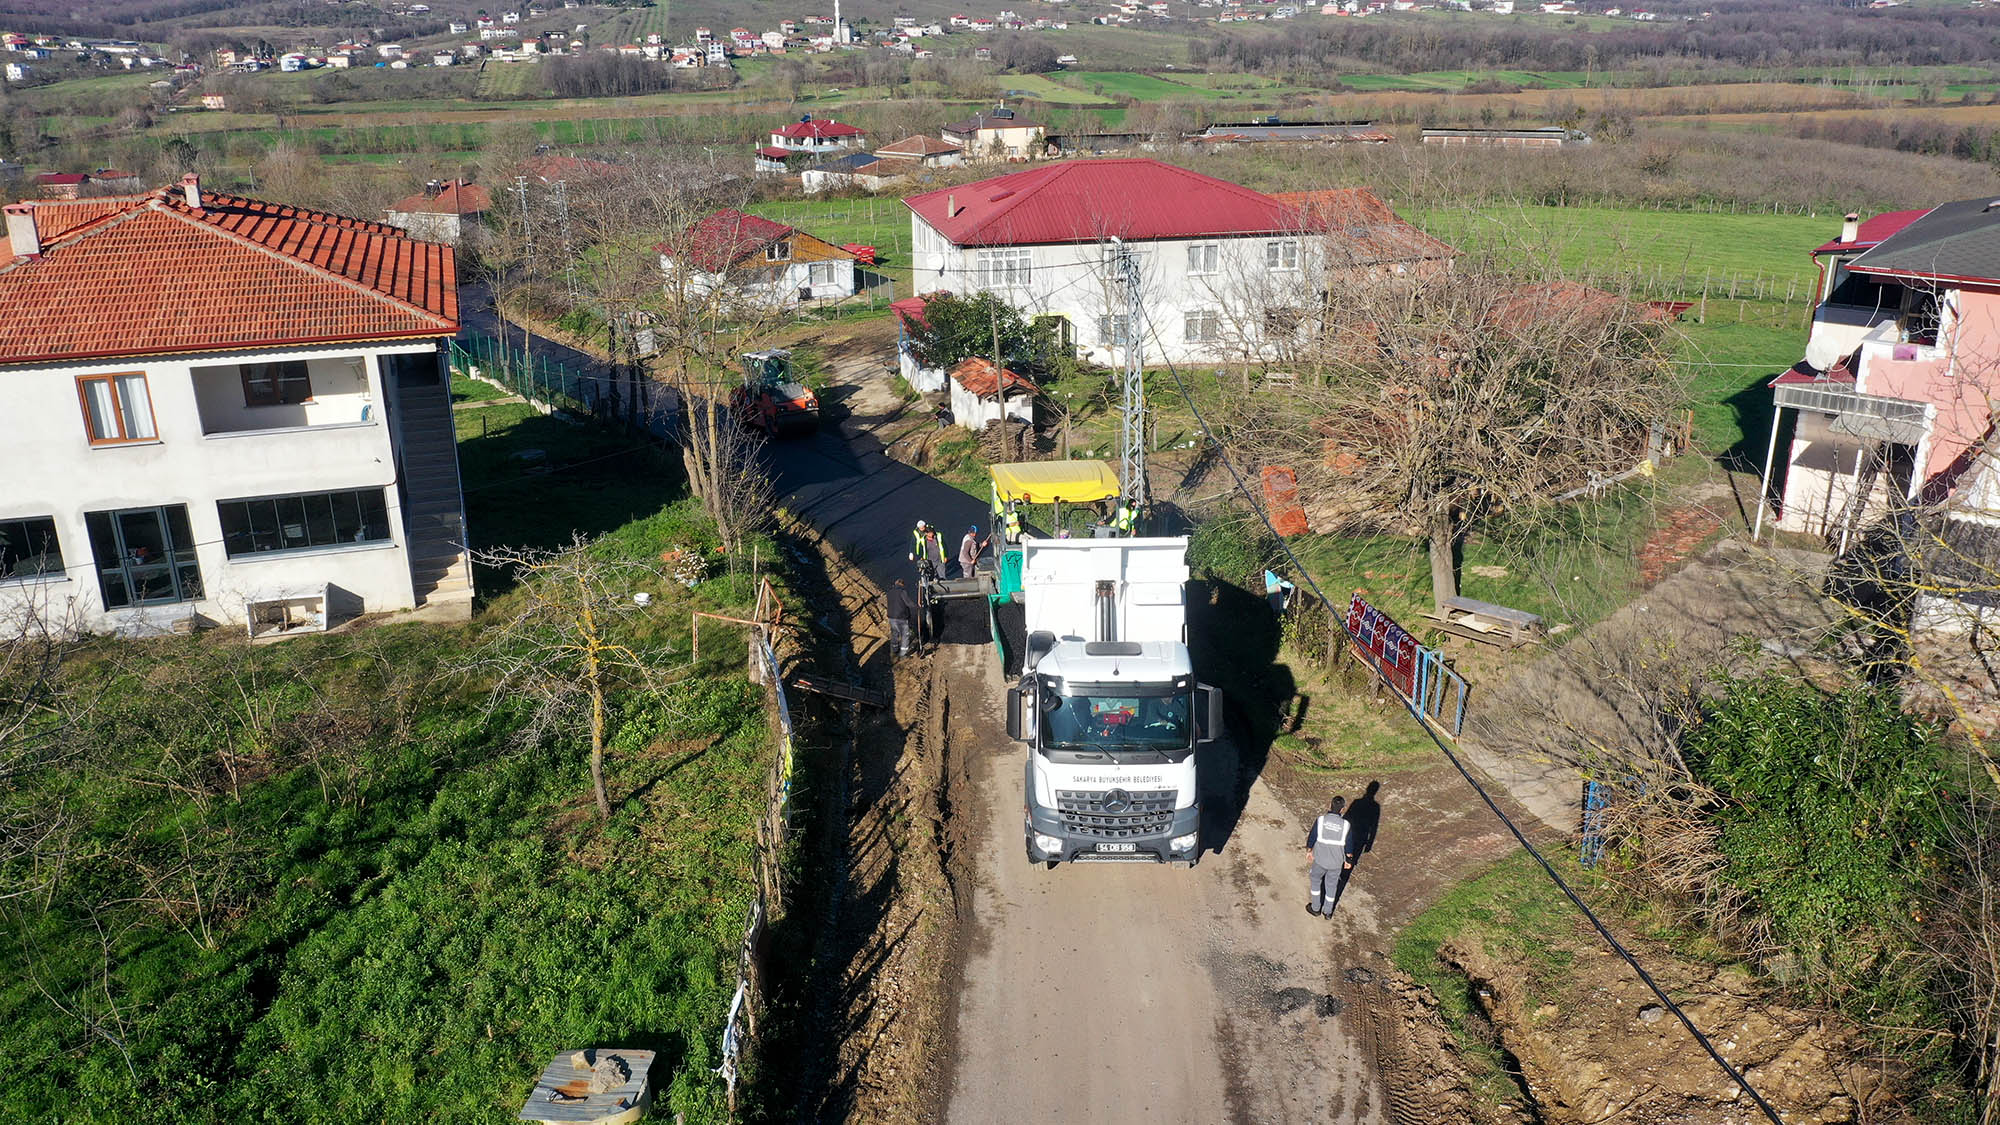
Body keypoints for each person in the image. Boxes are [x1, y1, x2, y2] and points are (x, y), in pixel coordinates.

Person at [1305, 797, 1356, 918]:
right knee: (1332, 886)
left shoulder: (1321, 820)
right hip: (1336, 863)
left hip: (1320, 860)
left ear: (1329, 805)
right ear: (1343, 809)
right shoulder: (1346, 825)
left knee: (1316, 881)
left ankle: (1315, 908)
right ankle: (1328, 912)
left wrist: (1309, 851)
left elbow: (1312, 836)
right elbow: (1349, 846)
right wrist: (1349, 860)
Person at [885, 578, 917, 658]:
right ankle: (903, 654)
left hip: (891, 617)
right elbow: (908, 603)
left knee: (894, 634)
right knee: (905, 635)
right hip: (901, 617)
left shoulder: (889, 592)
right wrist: (917, 607)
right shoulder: (902, 592)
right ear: (902, 584)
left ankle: (894, 650)